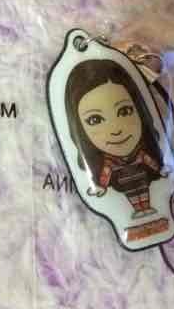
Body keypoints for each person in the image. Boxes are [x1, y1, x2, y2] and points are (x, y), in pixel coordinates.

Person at [65, 59, 167, 220]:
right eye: (95, 120)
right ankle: (140, 211)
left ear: (140, 110)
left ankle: (146, 210)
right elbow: (105, 175)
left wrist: (161, 169)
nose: (116, 129)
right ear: (79, 129)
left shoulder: (145, 153)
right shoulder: (107, 165)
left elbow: (152, 162)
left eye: (124, 111)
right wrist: (100, 186)